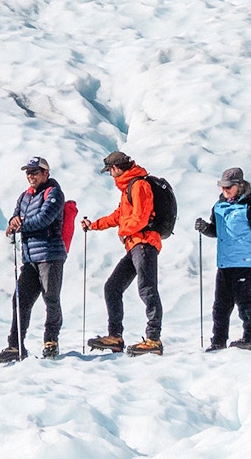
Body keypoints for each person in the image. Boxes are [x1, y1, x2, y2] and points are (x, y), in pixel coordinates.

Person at [82, 151, 164, 355]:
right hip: (135, 244)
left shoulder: (139, 185)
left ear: (116, 168)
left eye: (110, 170)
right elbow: (119, 216)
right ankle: (115, 337)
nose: (110, 175)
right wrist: (93, 225)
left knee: (147, 289)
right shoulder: (129, 188)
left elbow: (140, 219)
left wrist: (123, 231)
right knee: (112, 287)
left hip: (144, 243)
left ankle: (154, 339)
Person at [0, 156, 67, 364]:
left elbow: (44, 219)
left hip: (50, 255)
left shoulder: (54, 194)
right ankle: (15, 345)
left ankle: (50, 341)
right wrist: (14, 222)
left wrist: (20, 223)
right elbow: (15, 217)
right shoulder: (24, 196)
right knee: (20, 299)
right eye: (28, 172)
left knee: (50, 297)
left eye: (35, 172)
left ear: (46, 173)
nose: (30, 176)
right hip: (30, 257)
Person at [193, 167, 251, 351]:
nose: (225, 191)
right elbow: (216, 230)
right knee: (220, 307)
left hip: (245, 264)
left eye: (229, 187)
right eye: (222, 187)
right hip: (224, 264)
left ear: (239, 185)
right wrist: (205, 228)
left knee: (246, 305)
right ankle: (218, 341)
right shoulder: (219, 207)